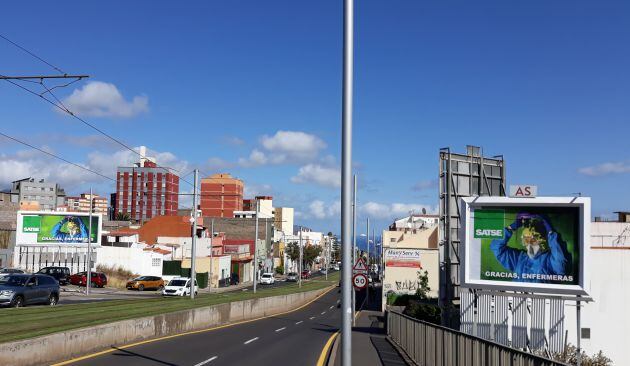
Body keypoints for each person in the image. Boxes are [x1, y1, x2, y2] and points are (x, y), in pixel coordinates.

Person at [490, 213, 570, 283]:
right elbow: (496, 247)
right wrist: (511, 227)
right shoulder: (519, 259)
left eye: (532, 239)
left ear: (543, 240)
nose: (528, 244)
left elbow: (562, 265)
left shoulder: (550, 261)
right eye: (525, 240)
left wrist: (551, 232)